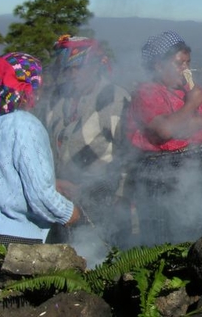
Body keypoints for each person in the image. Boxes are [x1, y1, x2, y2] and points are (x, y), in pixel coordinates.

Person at [123, 31, 202, 246]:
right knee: (175, 237)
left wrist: (197, 123)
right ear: (158, 66)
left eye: (188, 63)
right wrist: (191, 106)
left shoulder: (191, 91)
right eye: (179, 63)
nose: (186, 69)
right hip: (167, 174)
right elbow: (165, 131)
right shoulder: (147, 94)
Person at [0, 52, 81, 245]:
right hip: (7, 235)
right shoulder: (24, 124)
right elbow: (41, 196)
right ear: (27, 90)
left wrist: (53, 181)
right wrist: (70, 213)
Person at [39, 34, 131, 247]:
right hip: (61, 196)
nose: (72, 75)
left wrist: (121, 195)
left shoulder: (115, 98)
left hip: (101, 195)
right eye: (68, 69)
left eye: (79, 68)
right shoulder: (57, 98)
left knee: (96, 255)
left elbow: (128, 153)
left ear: (97, 66)